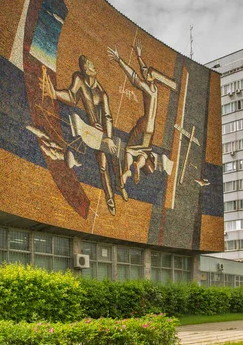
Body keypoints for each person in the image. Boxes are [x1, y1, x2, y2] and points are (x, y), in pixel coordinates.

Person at [47, 55, 127, 216]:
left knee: (116, 155)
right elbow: (71, 96)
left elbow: (108, 117)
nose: (92, 65)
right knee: (103, 167)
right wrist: (55, 93)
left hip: (105, 134)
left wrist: (109, 138)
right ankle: (110, 197)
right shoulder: (80, 79)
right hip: (92, 133)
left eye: (91, 63)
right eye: (89, 64)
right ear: (85, 69)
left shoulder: (102, 93)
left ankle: (120, 184)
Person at [108, 42, 175, 184]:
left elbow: (134, 76)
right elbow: (145, 71)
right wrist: (139, 56)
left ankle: (127, 169)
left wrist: (120, 60)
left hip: (143, 124)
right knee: (144, 151)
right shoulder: (154, 89)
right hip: (151, 129)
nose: (145, 73)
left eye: (147, 74)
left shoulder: (146, 88)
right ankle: (138, 165)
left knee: (129, 149)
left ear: (149, 78)